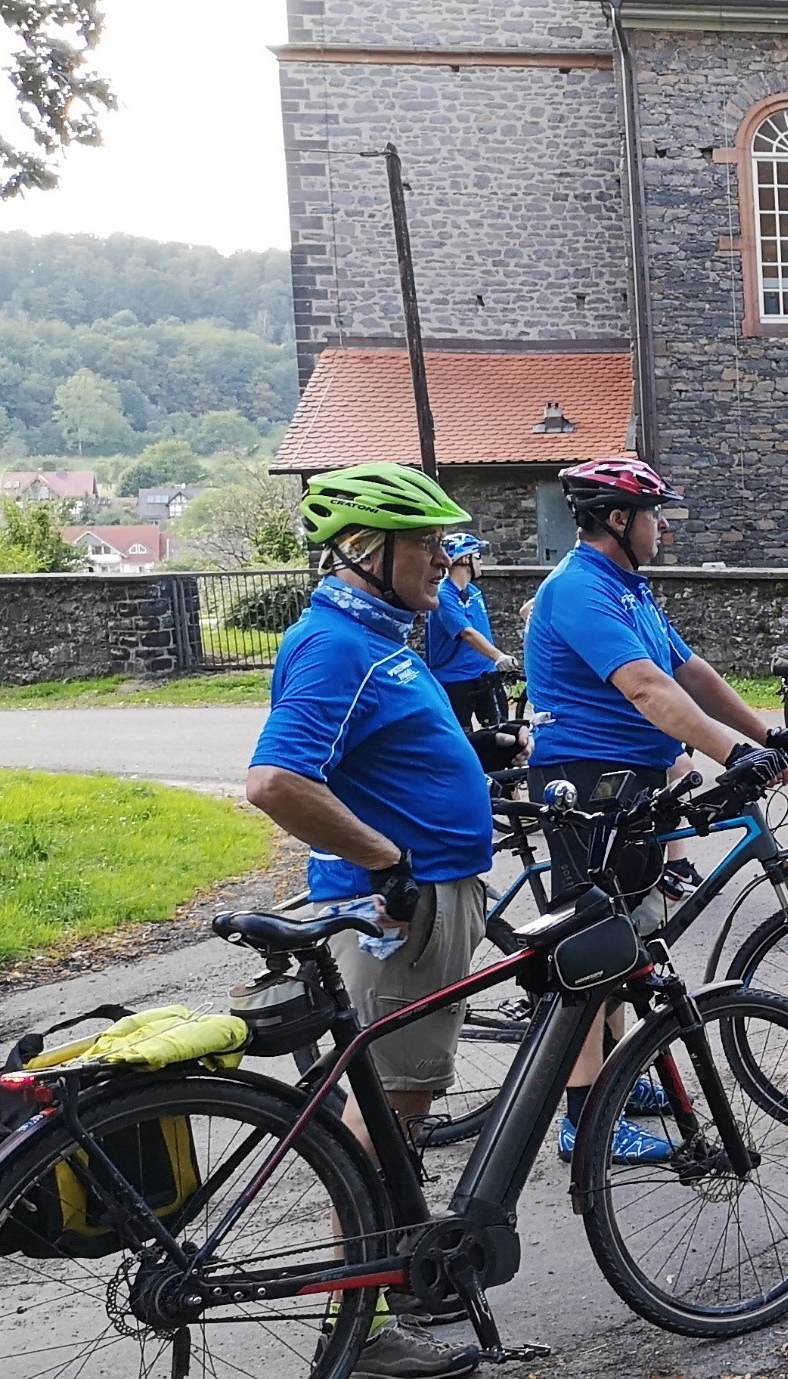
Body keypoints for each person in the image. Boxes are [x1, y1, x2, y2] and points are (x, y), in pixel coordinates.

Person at [244, 462, 491, 1379]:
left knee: (398, 1106)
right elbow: (276, 781)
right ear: (362, 549)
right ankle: (362, 1316)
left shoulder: (379, 633)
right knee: (385, 1107)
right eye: (424, 541)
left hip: (428, 898)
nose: (442, 557)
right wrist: (388, 859)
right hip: (397, 913)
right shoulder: (336, 643)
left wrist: (480, 755)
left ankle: (390, 1276)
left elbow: (381, 749)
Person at [525, 456, 788, 1162]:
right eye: (656, 516)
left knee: (628, 937)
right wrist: (731, 754)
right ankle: (582, 1116)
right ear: (619, 519)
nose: (664, 529)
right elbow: (646, 687)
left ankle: (611, 1080)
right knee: (592, 947)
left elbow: (689, 672)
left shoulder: (629, 589)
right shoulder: (580, 588)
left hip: (632, 780)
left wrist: (765, 734)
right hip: (586, 783)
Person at [426, 531, 518, 730]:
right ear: (464, 559)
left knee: (501, 730)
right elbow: (467, 633)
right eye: (478, 556)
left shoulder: (474, 593)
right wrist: (498, 656)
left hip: (485, 674)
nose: (481, 562)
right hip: (455, 680)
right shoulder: (444, 595)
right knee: (460, 736)